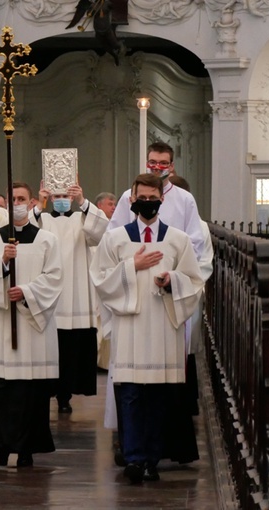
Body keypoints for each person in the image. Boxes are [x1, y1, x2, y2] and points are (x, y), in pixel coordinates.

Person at [90, 173, 204, 483]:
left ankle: (152, 460)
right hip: (131, 327)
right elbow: (100, 279)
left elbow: (194, 282)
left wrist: (172, 282)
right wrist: (132, 268)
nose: (148, 203)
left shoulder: (178, 239)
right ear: (132, 200)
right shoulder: (115, 239)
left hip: (164, 328)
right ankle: (133, 458)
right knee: (130, 395)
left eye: (154, 199)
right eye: (143, 198)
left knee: (158, 398)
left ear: (162, 200)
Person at [0, 181, 63, 468]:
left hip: (34, 328)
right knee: (1, 390)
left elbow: (55, 278)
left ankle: (27, 449)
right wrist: (1, 263)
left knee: (30, 394)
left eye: (23, 199)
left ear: (32, 201)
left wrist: (26, 292)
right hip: (2, 326)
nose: (18, 204)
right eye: (13, 200)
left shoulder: (47, 239)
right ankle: (0, 446)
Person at [34, 182, 108, 413]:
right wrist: (38, 205)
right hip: (49, 294)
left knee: (71, 350)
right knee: (50, 348)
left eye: (66, 194)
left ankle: (65, 396)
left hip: (76, 295)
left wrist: (83, 202)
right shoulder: (42, 220)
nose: (61, 199)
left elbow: (102, 233)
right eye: (57, 195)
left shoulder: (81, 219)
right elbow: (22, 230)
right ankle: (46, 393)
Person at [107, 141, 205, 260]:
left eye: (163, 163)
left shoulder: (185, 199)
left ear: (171, 166)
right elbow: (112, 236)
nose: (157, 168)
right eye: (153, 162)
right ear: (146, 163)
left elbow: (195, 242)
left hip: (171, 268)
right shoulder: (129, 196)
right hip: (133, 267)